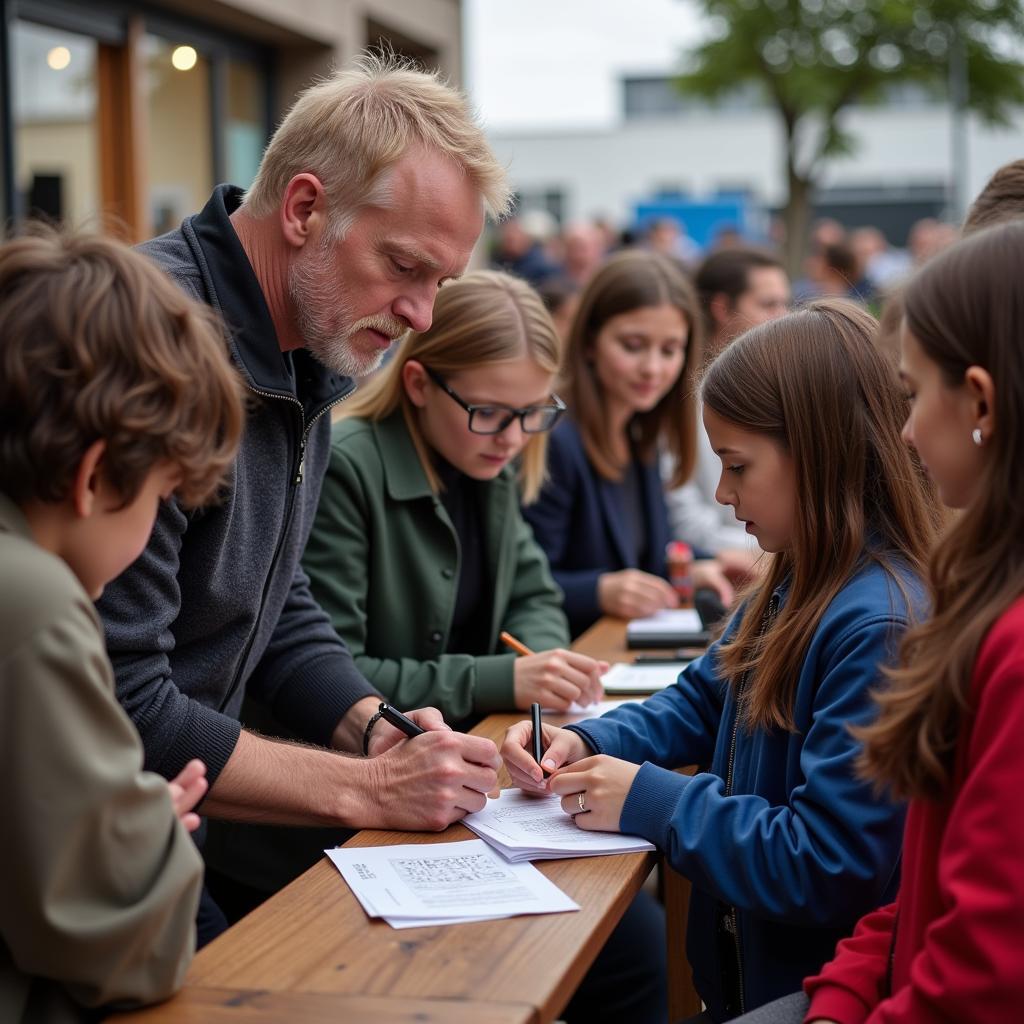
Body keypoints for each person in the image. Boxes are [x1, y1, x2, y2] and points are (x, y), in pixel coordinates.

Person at [95, 53, 508, 941]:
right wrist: (369, 789)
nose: (422, 315)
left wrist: (367, 723)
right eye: (405, 266)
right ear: (305, 208)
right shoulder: (146, 342)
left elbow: (272, 596)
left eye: (441, 282)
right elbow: (116, 694)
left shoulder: (309, 339)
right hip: (92, 840)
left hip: (165, 822)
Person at [504, 299, 941, 1020]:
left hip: (812, 992)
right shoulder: (800, 570)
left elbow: (827, 861)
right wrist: (588, 738)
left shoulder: (879, 625)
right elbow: (705, 697)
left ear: (822, 454)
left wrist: (650, 799)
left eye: (738, 465)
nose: (720, 492)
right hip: (748, 977)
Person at [780, 220, 1024, 1023]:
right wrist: (840, 996)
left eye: (915, 395)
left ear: (982, 401)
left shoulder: (1011, 646)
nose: (908, 431)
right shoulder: (980, 598)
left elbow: (982, 975)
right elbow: (919, 887)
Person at [0, 228, 244, 1020]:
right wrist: (147, 837)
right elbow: (122, 950)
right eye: (163, 495)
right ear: (95, 476)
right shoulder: (34, 602)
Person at [302, 270, 605, 723]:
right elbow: (330, 673)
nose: (513, 438)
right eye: (488, 412)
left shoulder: (482, 456)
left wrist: (546, 667)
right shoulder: (347, 468)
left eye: (531, 413)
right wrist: (503, 679)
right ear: (418, 384)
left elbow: (535, 597)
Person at [524, 249, 729, 638]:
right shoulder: (553, 441)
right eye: (633, 346)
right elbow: (523, 583)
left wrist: (698, 565)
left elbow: (651, 553)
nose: (653, 368)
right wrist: (598, 591)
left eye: (669, 350)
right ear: (588, 342)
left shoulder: (640, 437)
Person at [666, 247, 790, 569]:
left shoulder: (781, 384)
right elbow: (686, 518)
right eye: (768, 304)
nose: (784, 316)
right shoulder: (679, 398)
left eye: (784, 303)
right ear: (722, 308)